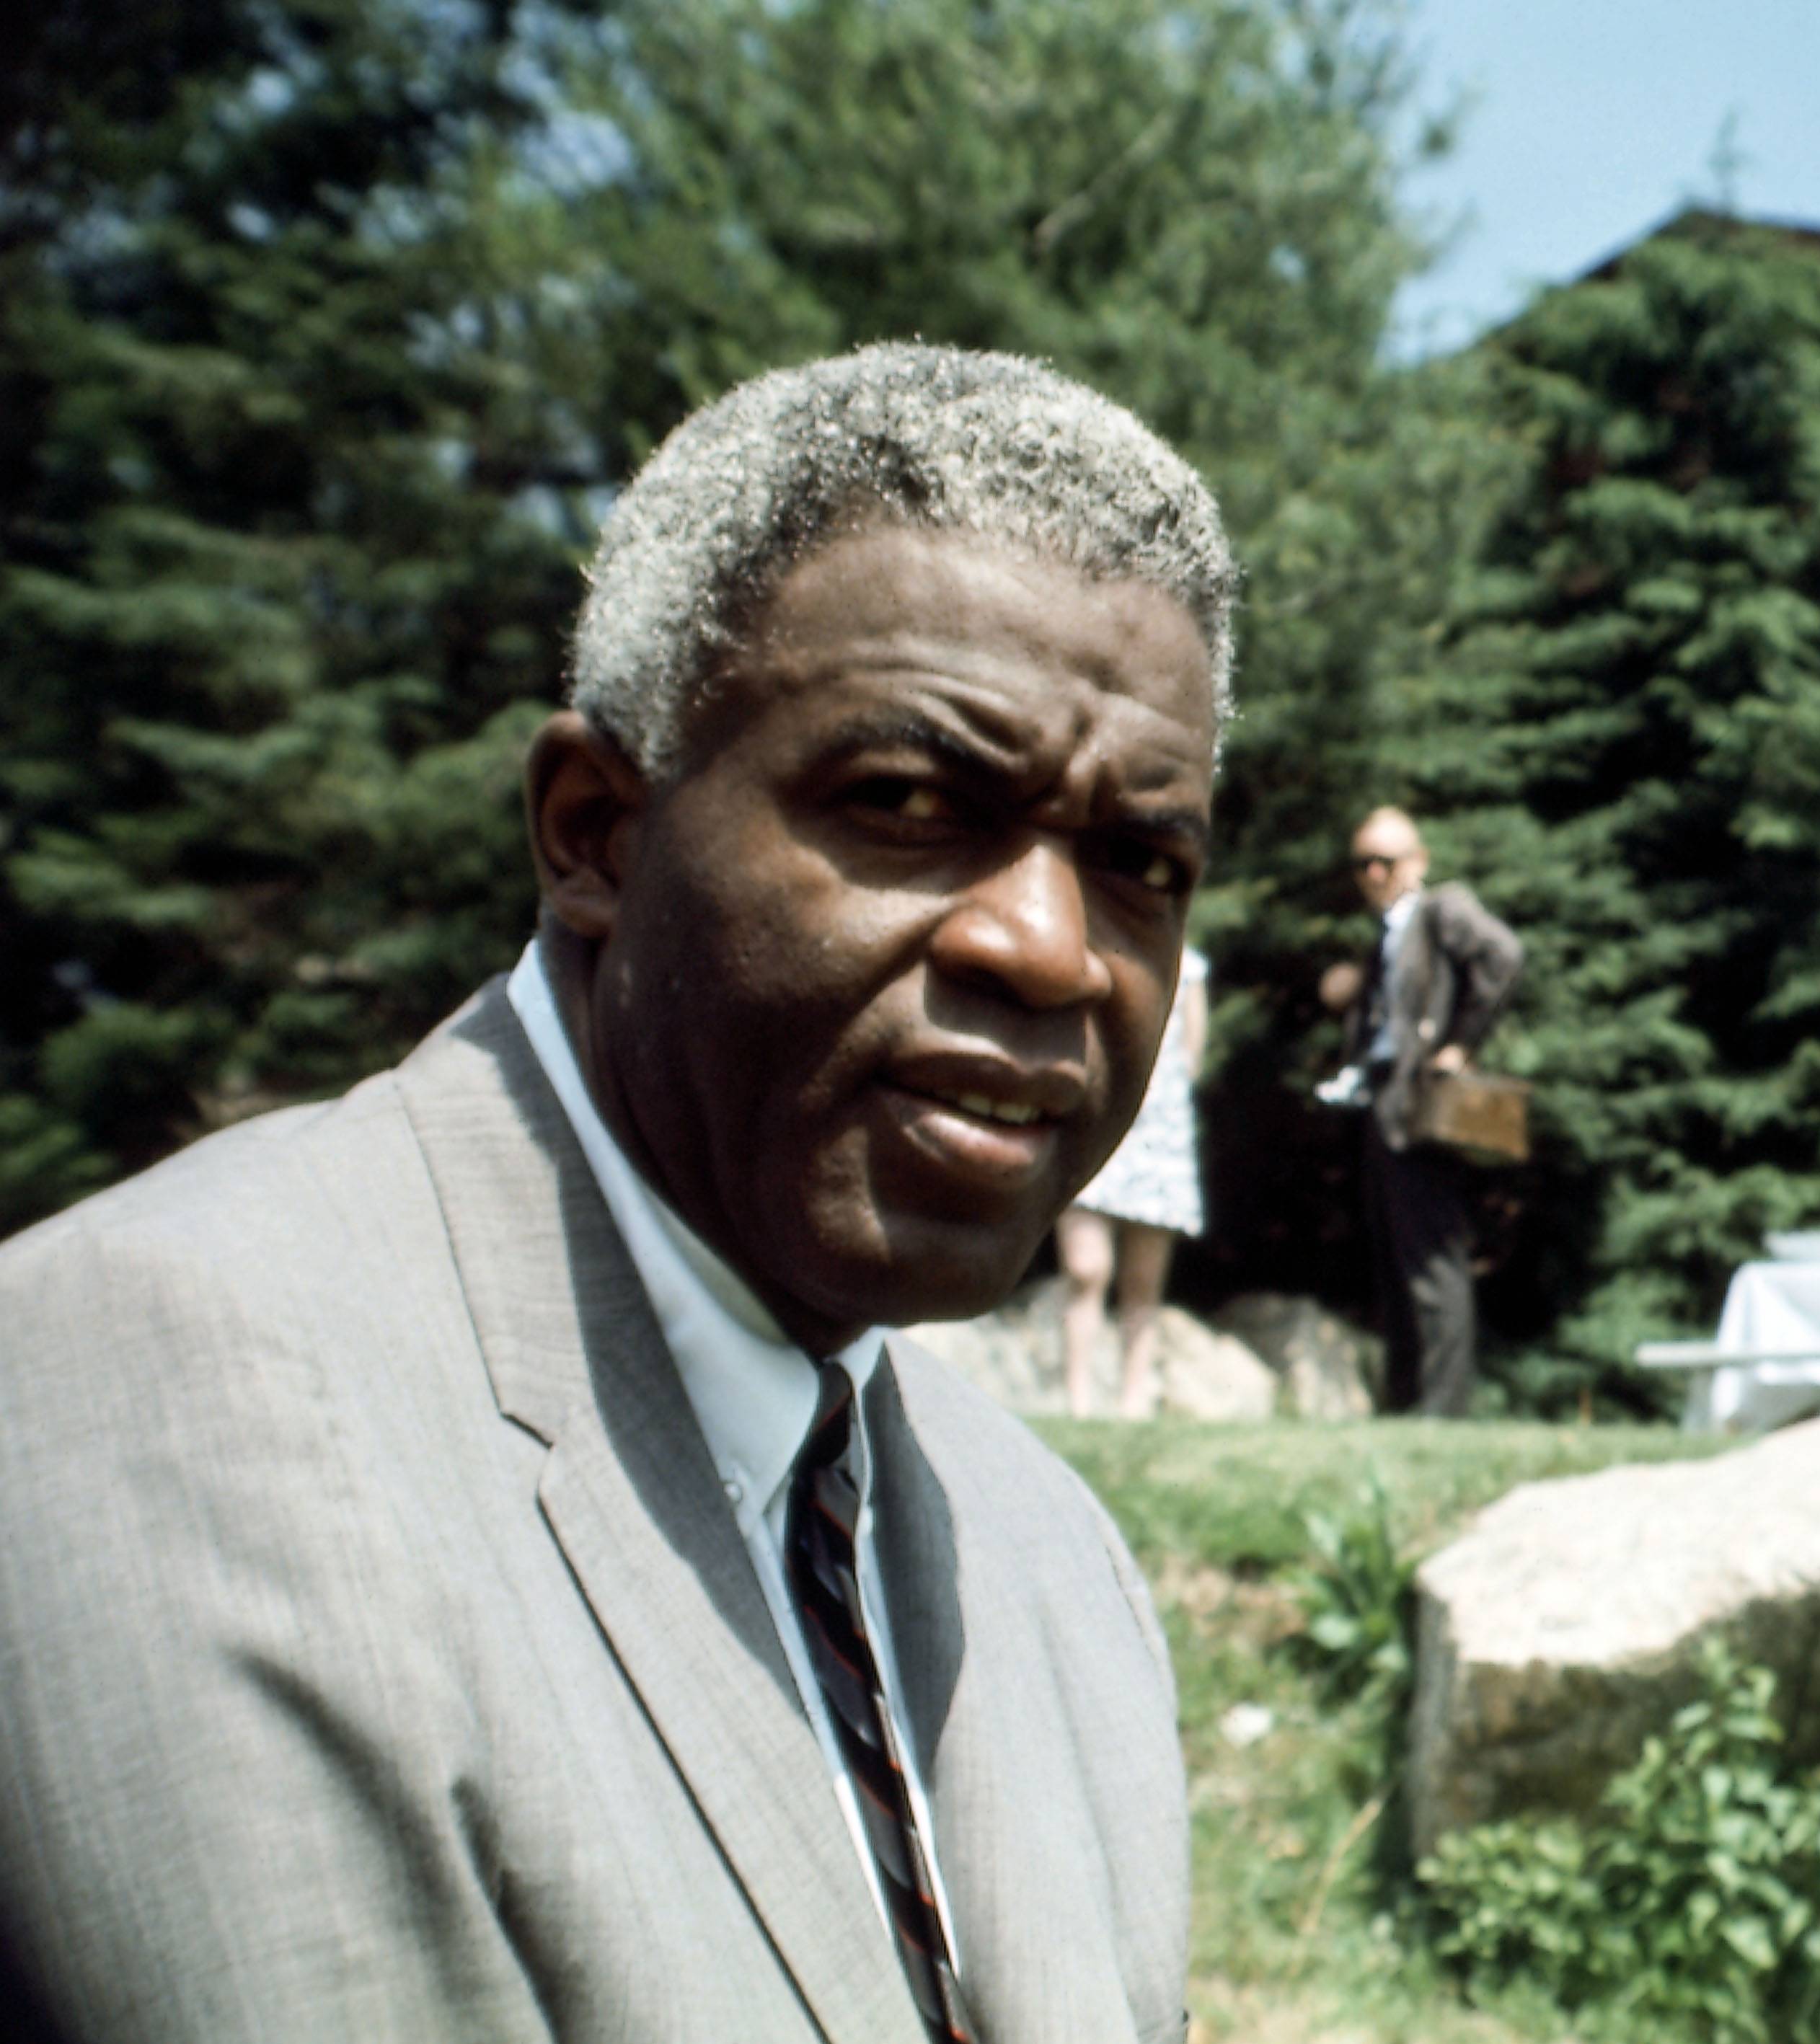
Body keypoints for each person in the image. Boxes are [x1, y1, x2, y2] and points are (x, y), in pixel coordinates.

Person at [0, 344, 1232, 2043]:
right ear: (593, 832)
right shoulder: (145, 1391)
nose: (1046, 948)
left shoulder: (1054, 1560)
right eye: (902, 802)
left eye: (1139, 866)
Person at [1317, 807, 1522, 1416]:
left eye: (1388, 860)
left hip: (1421, 1102)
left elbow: (1504, 956)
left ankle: (1442, 1409)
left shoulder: (1441, 907)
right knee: (1395, 1254)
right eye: (1364, 863)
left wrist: (1461, 1042)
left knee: (1434, 1258)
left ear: (1419, 861)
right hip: (1383, 1100)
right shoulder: (1387, 930)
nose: (1375, 873)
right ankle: (1406, 1405)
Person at [1057, 947, 1209, 1417]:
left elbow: (1192, 1056)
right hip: (1097, 1119)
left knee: (1143, 1284)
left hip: (1160, 1134)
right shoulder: (1095, 955)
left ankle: (1132, 1399)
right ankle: (1077, 1398)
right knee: (1086, 1269)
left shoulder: (1192, 967)